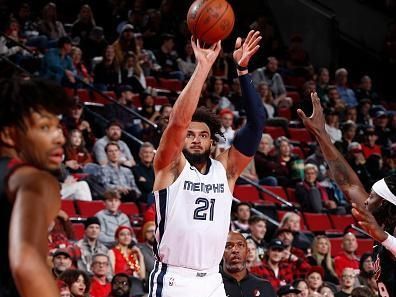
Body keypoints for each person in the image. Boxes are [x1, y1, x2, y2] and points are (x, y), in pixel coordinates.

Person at [149, 31, 265, 297]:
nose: (197, 140)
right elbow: (178, 121)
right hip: (174, 278)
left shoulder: (225, 171)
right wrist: (202, 67)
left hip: (213, 279)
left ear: (213, 142)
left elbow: (257, 123)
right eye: (190, 135)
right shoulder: (169, 167)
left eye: (203, 135)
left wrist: (243, 70)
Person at [297, 91, 396, 295]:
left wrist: (385, 238)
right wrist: (321, 135)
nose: (366, 202)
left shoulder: (388, 233)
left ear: (387, 204)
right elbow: (349, 185)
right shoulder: (380, 223)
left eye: (372, 198)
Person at [0, 77, 71, 297]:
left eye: (58, 126)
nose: (59, 137)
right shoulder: (34, 180)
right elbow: (27, 264)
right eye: (45, 127)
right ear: (9, 135)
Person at [221, 231, 276, 297]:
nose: (235, 250)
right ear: (220, 253)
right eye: (228, 246)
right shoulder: (212, 286)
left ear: (247, 252)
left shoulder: (264, 286)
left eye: (240, 245)